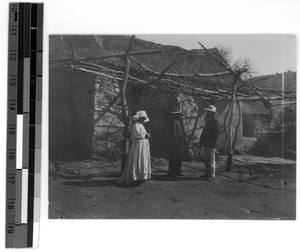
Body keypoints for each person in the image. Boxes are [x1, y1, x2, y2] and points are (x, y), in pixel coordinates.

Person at [117, 110, 151, 185]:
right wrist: (145, 136)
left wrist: (147, 135)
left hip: (143, 144)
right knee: (137, 159)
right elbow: (136, 135)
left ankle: (141, 176)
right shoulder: (136, 125)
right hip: (138, 145)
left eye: (144, 118)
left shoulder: (141, 125)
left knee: (142, 159)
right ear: (139, 118)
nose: (143, 119)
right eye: (142, 118)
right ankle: (135, 177)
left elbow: (143, 133)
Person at [199, 105, 219, 181]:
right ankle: (207, 173)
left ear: (212, 113)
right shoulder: (208, 121)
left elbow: (215, 135)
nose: (208, 113)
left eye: (209, 112)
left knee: (211, 160)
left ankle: (211, 175)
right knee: (206, 160)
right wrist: (202, 142)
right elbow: (204, 133)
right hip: (207, 144)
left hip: (211, 144)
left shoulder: (214, 122)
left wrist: (212, 144)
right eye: (208, 112)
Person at [168, 106, 184, 177]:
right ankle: (173, 172)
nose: (180, 115)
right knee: (174, 158)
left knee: (178, 158)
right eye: (178, 114)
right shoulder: (174, 122)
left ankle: (177, 171)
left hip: (178, 143)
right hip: (175, 144)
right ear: (175, 115)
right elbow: (174, 134)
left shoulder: (178, 122)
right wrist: (177, 142)